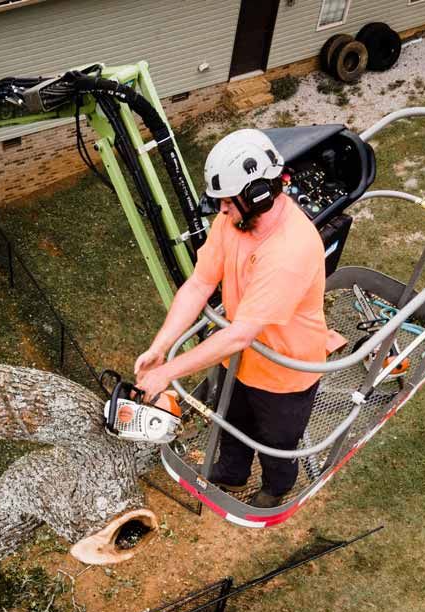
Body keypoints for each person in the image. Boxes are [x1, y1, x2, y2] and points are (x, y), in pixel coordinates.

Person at [134, 128, 330, 508]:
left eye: (227, 201)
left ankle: (276, 488)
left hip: (285, 372)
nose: (221, 210)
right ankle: (233, 472)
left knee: (277, 442)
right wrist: (160, 350)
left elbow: (240, 333)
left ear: (258, 194)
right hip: (239, 358)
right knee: (233, 421)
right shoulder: (234, 221)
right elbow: (199, 284)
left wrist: (167, 374)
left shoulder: (289, 250)